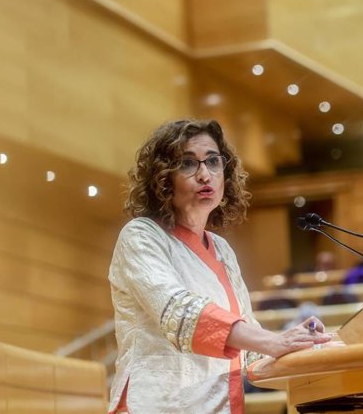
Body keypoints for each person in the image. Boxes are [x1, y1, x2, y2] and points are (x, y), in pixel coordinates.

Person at [108, 119, 332, 413]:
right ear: (162, 178)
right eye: (188, 164)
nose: (205, 174)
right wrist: (273, 341)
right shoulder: (140, 235)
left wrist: (308, 346)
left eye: (213, 161)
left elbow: (250, 350)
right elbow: (180, 312)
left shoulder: (223, 250)